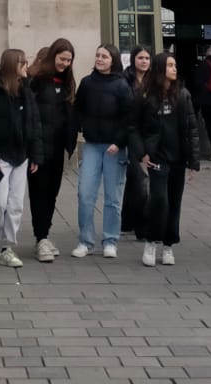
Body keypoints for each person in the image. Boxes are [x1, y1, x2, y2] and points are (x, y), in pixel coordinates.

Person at [133, 50, 203, 268]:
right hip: (157, 157)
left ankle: (168, 244)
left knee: (174, 201)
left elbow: (192, 128)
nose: (175, 69)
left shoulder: (183, 95)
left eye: (175, 65)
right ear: (161, 69)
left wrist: (194, 161)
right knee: (159, 200)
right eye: (170, 65)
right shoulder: (146, 95)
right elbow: (133, 126)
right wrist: (142, 152)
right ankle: (151, 241)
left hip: (178, 157)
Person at [0, 47, 42, 267]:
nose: (26, 66)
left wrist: (35, 154)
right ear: (11, 65)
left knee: (16, 204)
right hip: (1, 157)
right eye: (22, 63)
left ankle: (7, 246)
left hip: (21, 155)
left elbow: (34, 124)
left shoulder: (26, 89)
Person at [73, 42, 134, 259]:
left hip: (114, 148)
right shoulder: (87, 83)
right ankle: (85, 241)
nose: (100, 59)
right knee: (85, 194)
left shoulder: (122, 86)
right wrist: (82, 128)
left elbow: (129, 118)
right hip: (91, 145)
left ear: (113, 60)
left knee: (112, 197)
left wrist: (119, 142)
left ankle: (110, 240)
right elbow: (77, 109)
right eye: (98, 55)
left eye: (104, 56)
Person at [27, 38, 77, 261]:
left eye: (68, 60)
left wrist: (70, 143)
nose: (65, 63)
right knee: (39, 193)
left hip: (58, 148)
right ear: (53, 56)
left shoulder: (67, 82)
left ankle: (44, 236)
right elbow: (31, 116)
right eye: (62, 58)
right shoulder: (37, 81)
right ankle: (41, 237)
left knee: (52, 194)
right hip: (39, 148)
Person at [121, 46, 152, 239]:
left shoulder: (152, 82)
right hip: (128, 134)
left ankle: (127, 221)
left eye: (147, 58)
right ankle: (142, 228)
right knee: (139, 179)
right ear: (133, 60)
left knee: (134, 181)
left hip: (147, 135)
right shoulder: (124, 80)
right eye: (140, 57)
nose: (144, 61)